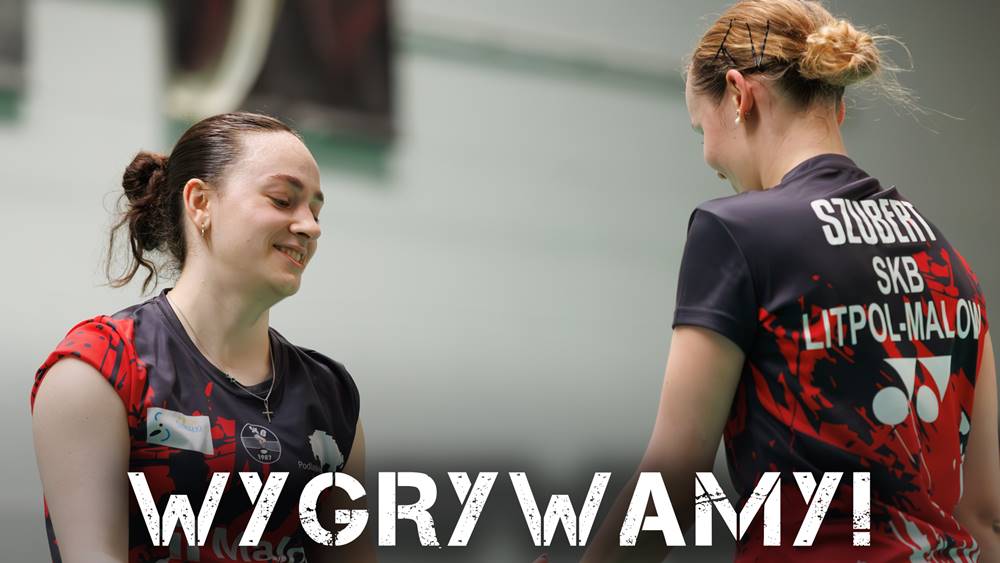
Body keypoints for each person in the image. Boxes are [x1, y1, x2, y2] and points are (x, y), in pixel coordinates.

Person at [577, 0, 1000, 560]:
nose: (709, 157)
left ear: (738, 96)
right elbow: (984, 517)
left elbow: (673, 482)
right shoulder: (949, 260)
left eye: (700, 129)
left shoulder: (735, 233)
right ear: (836, 107)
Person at [30, 112, 377, 562]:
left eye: (315, 210)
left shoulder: (331, 396)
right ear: (200, 203)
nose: (310, 226)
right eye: (282, 200)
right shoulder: (102, 368)